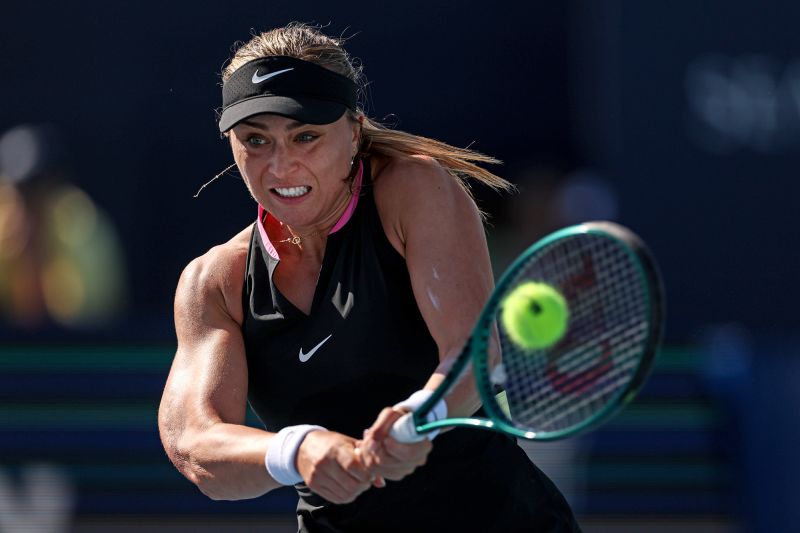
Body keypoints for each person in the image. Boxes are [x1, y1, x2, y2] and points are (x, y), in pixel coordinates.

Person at [158, 23, 581, 532]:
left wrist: (419, 417)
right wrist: (299, 449)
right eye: (255, 140)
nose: (281, 165)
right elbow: (196, 448)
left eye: (306, 136)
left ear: (354, 131)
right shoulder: (215, 282)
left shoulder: (414, 188)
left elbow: (474, 348)